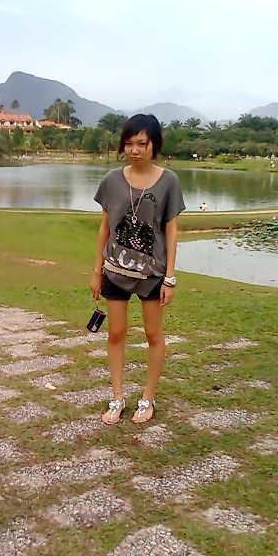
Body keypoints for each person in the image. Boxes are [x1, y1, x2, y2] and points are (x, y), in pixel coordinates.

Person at [91, 114, 185, 425]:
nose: (134, 150)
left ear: (154, 144)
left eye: (142, 143)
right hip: (115, 270)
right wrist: (96, 271)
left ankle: (147, 398)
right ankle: (117, 397)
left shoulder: (169, 181)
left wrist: (170, 278)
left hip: (152, 275)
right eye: (129, 143)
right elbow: (105, 228)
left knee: (153, 334)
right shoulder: (112, 180)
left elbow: (171, 230)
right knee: (116, 333)